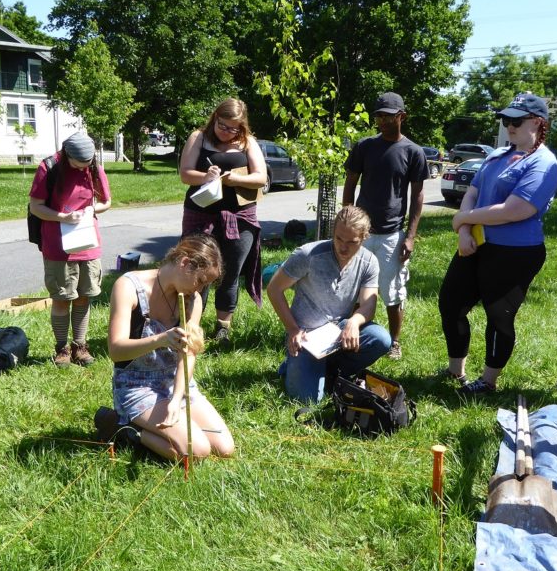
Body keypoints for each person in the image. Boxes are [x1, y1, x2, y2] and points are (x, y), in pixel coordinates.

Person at [438, 92, 557, 394]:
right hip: (477, 242)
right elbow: (472, 192)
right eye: (506, 120)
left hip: (515, 252)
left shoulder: (544, 163)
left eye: (516, 121)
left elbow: (515, 211)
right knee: (451, 303)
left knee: (498, 315)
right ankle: (456, 372)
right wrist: (464, 227)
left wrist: (464, 219)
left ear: (538, 122)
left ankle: (488, 380)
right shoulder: (497, 155)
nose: (510, 126)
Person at [108, 234, 235, 462]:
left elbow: (189, 354)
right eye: (201, 280)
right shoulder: (128, 287)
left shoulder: (192, 299)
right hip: (137, 384)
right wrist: (161, 340)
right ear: (184, 263)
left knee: (224, 448)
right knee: (196, 452)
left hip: (175, 383)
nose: (202, 289)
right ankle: (125, 430)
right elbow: (116, 350)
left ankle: (161, 425)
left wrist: (177, 398)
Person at [267, 206, 392, 403]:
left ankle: (333, 369)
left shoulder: (369, 262)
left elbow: (369, 304)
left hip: (338, 331)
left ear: (365, 237)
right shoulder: (308, 255)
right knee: (308, 400)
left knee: (382, 339)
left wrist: (354, 321)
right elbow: (274, 289)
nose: (343, 247)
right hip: (305, 337)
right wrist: (292, 329)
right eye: (339, 238)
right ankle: (294, 366)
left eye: (352, 242)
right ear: (333, 232)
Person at [342, 91, 429, 362]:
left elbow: (417, 196)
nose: (381, 120)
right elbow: (350, 183)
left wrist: (411, 236)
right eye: (378, 115)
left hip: (392, 234)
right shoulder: (365, 146)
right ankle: (353, 334)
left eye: (388, 116)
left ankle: (394, 342)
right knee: (353, 287)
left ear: (402, 116)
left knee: (392, 291)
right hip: (360, 233)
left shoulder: (413, 152)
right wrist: (346, 218)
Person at [178, 98, 267, 343]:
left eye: (233, 128)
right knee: (197, 270)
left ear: (242, 126)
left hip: (240, 217)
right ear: (214, 117)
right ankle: (192, 325)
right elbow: (185, 174)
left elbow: (260, 178)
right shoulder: (198, 137)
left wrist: (235, 180)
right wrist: (206, 176)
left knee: (230, 272)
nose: (227, 132)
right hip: (201, 214)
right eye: (222, 125)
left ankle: (223, 328)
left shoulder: (248, 142)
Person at [28, 132, 112, 367]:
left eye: (87, 163)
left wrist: (90, 209)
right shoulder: (49, 168)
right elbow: (36, 207)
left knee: (84, 297)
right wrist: (63, 216)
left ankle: (80, 346)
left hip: (87, 243)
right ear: (67, 156)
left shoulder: (94, 167)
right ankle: (62, 348)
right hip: (58, 245)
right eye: (79, 163)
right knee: (62, 298)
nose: (83, 167)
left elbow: (107, 202)